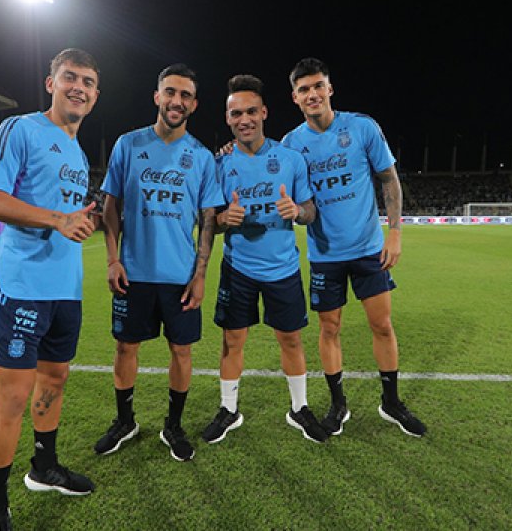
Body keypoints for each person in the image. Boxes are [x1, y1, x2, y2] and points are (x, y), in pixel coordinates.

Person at [0, 48, 100, 531]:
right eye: (70, 77)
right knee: (13, 395)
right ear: (51, 83)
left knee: (56, 378)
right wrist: (57, 219)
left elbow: (67, 216)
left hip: (65, 286)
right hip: (22, 284)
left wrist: (77, 222)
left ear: (95, 94)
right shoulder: (20, 129)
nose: (78, 88)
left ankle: (44, 468)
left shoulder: (78, 152)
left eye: (87, 82)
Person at [281, 58, 426, 438]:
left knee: (382, 324)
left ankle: (391, 403)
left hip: (368, 250)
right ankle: (338, 404)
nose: (312, 94)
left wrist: (395, 233)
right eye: (303, 89)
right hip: (324, 255)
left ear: (330, 89)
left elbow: (389, 179)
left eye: (318, 86)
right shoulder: (291, 144)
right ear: (295, 98)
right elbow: (293, 199)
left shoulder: (362, 127)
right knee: (329, 328)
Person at [96, 64, 223, 462]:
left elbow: (208, 221)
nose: (176, 101)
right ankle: (125, 422)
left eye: (185, 95)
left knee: (181, 352)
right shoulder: (128, 144)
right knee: (125, 347)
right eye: (170, 92)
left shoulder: (202, 157)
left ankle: (174, 425)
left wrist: (200, 275)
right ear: (157, 96)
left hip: (180, 277)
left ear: (194, 104)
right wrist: (113, 259)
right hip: (133, 273)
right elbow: (110, 207)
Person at [203, 74, 328, 444]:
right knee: (232, 341)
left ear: (264, 113)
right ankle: (228, 410)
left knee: (291, 340)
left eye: (251, 111)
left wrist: (297, 212)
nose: (245, 119)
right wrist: (224, 219)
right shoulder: (218, 164)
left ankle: (299, 408)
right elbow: (208, 222)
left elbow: (310, 211)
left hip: (283, 268)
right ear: (228, 118)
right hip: (237, 269)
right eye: (236, 113)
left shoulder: (290, 159)